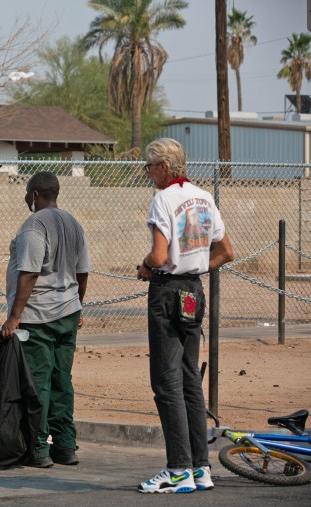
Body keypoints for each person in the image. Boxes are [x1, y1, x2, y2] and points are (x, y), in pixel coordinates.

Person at [136, 138, 234, 494]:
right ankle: (199, 467)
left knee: (166, 382)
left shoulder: (163, 198)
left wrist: (146, 266)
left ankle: (177, 468)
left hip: (167, 290)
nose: (147, 173)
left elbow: (159, 255)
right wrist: (195, 268)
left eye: (149, 166)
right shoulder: (205, 196)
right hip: (194, 289)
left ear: (163, 166)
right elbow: (226, 251)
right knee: (190, 378)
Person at [0, 171, 90, 469]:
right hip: (67, 313)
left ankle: (38, 449)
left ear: (35, 194)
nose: (26, 198)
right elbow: (83, 271)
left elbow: (29, 273)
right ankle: (65, 447)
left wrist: (14, 318)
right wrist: (78, 303)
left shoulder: (34, 226)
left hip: (37, 316)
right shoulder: (73, 223)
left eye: (27, 193)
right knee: (62, 379)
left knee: (37, 383)